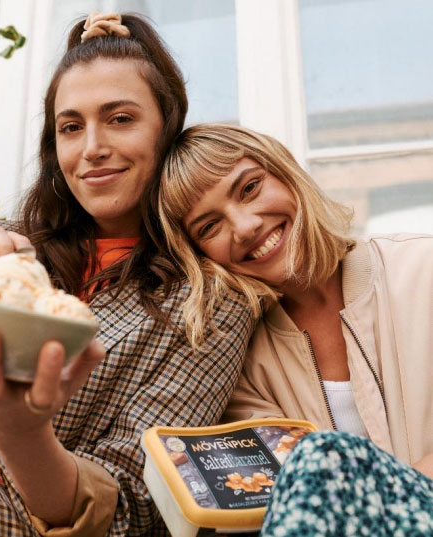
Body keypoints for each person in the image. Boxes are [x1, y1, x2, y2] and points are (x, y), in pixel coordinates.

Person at [0, 17, 253, 537]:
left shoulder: (208, 300)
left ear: (167, 130)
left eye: (121, 118)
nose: (91, 148)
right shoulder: (8, 252)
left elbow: (140, 501)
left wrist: (21, 432)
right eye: (70, 127)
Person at [158, 123, 433, 535]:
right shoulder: (239, 364)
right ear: (199, 257)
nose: (246, 225)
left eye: (249, 188)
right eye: (209, 227)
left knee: (320, 456)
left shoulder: (422, 268)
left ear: (285, 173)